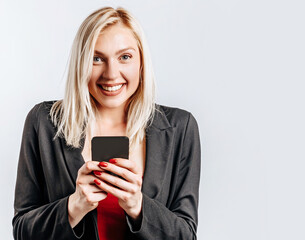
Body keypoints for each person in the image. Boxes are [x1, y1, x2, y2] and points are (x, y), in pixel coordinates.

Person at [12, 6, 201, 240]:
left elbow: (186, 235)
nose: (111, 74)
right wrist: (74, 206)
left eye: (125, 57)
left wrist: (139, 207)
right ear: (81, 63)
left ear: (141, 62)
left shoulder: (179, 128)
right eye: (96, 58)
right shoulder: (44, 122)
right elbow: (22, 232)